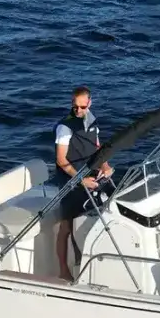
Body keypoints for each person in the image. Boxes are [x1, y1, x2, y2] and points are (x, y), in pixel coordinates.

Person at [54, 85, 113, 281]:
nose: (78, 111)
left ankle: (84, 261)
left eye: (82, 107)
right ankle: (63, 270)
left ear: (89, 103)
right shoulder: (64, 127)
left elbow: (97, 147)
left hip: (91, 178)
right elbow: (61, 160)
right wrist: (81, 180)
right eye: (75, 107)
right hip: (71, 181)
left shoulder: (93, 121)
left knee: (90, 220)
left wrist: (105, 166)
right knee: (67, 227)